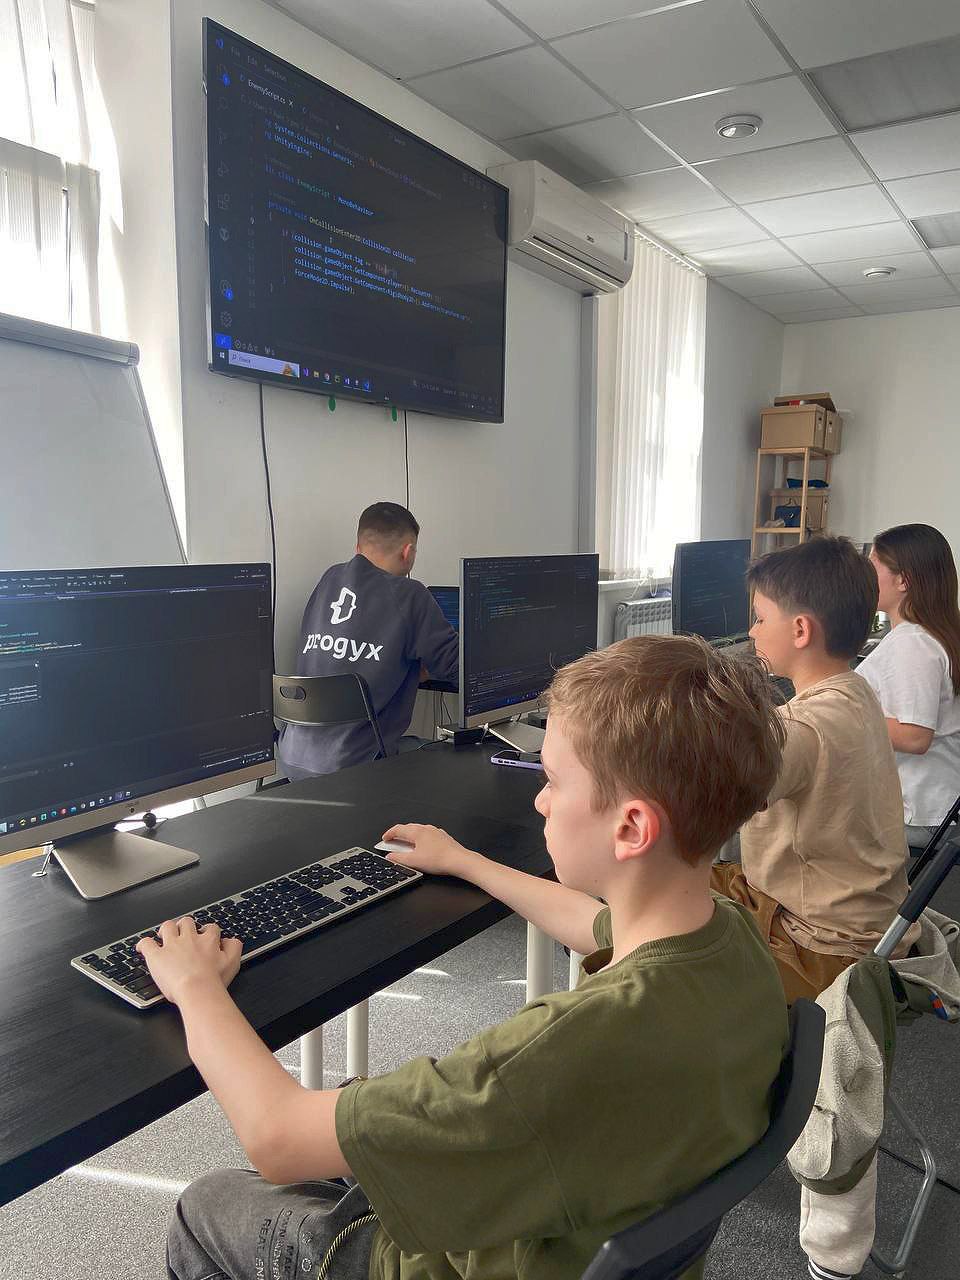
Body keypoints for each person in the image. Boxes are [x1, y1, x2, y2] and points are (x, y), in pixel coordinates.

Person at [140, 635, 790, 1280]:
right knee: (356, 1105)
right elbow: (598, 926)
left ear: (631, 828)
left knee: (209, 1203)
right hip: (585, 1220)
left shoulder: (557, 1053)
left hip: (439, 1266)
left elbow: (275, 1136)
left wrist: (197, 987)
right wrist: (467, 862)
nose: (540, 799)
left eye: (553, 781)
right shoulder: (728, 940)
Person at [712, 535, 918, 1006]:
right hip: (862, 915)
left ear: (801, 630)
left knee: (652, 902)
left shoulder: (801, 726)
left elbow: (715, 796)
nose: (752, 632)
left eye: (760, 618)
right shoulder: (856, 690)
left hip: (818, 941)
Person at [278, 502, 458, 778]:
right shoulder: (410, 595)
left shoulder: (329, 579)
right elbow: (458, 668)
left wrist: (408, 672)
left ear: (358, 547)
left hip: (292, 757)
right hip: (357, 766)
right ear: (408, 552)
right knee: (450, 755)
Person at [858, 523, 960, 850]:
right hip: (928, 807)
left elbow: (915, 736)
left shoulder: (914, 643)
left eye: (872, 568)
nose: (863, 578)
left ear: (903, 580)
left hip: (918, 814)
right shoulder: (927, 635)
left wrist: (844, 715)